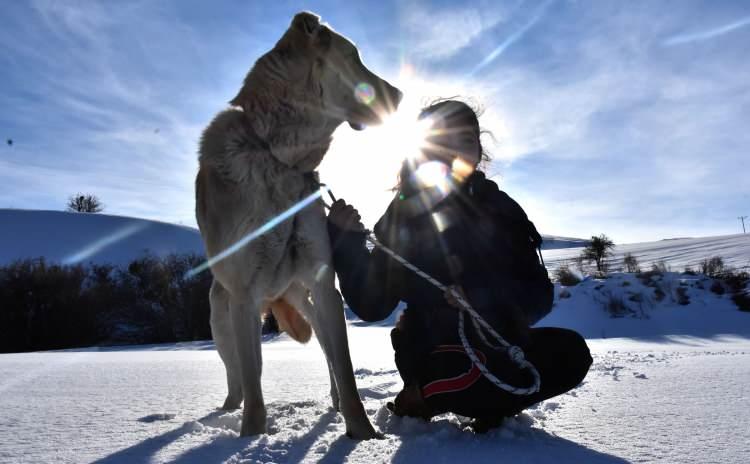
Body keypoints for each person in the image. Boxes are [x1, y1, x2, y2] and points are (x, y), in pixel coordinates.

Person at [327, 100, 592, 432]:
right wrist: (346, 242)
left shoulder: (503, 209)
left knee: (572, 352)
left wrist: (484, 300)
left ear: (479, 150)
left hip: (497, 341)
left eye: (466, 140)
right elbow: (373, 304)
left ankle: (480, 395)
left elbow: (538, 293)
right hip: (431, 349)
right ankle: (425, 393)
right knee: (463, 370)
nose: (456, 150)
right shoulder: (404, 212)